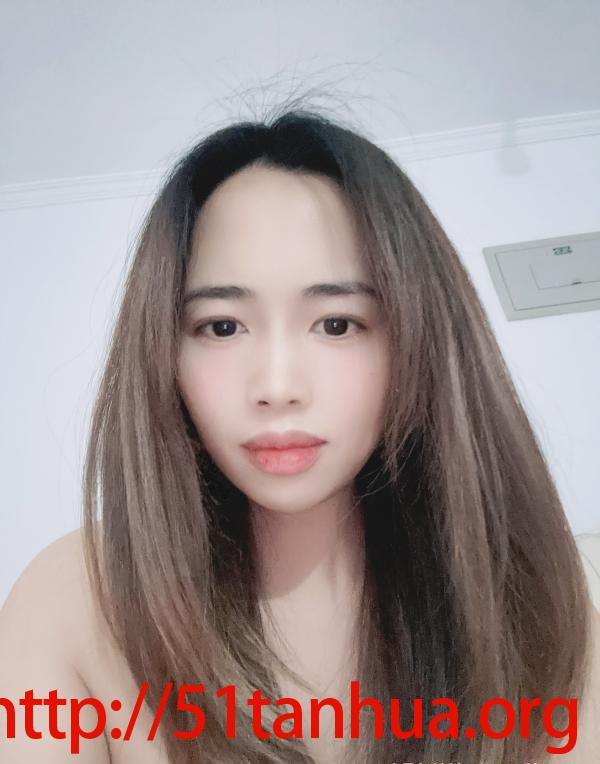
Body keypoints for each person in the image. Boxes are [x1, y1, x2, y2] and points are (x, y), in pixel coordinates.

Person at [1, 105, 598, 764]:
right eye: (222, 327)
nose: (278, 385)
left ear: (418, 340)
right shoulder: (77, 595)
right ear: (165, 354)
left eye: (337, 324)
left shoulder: (537, 595)